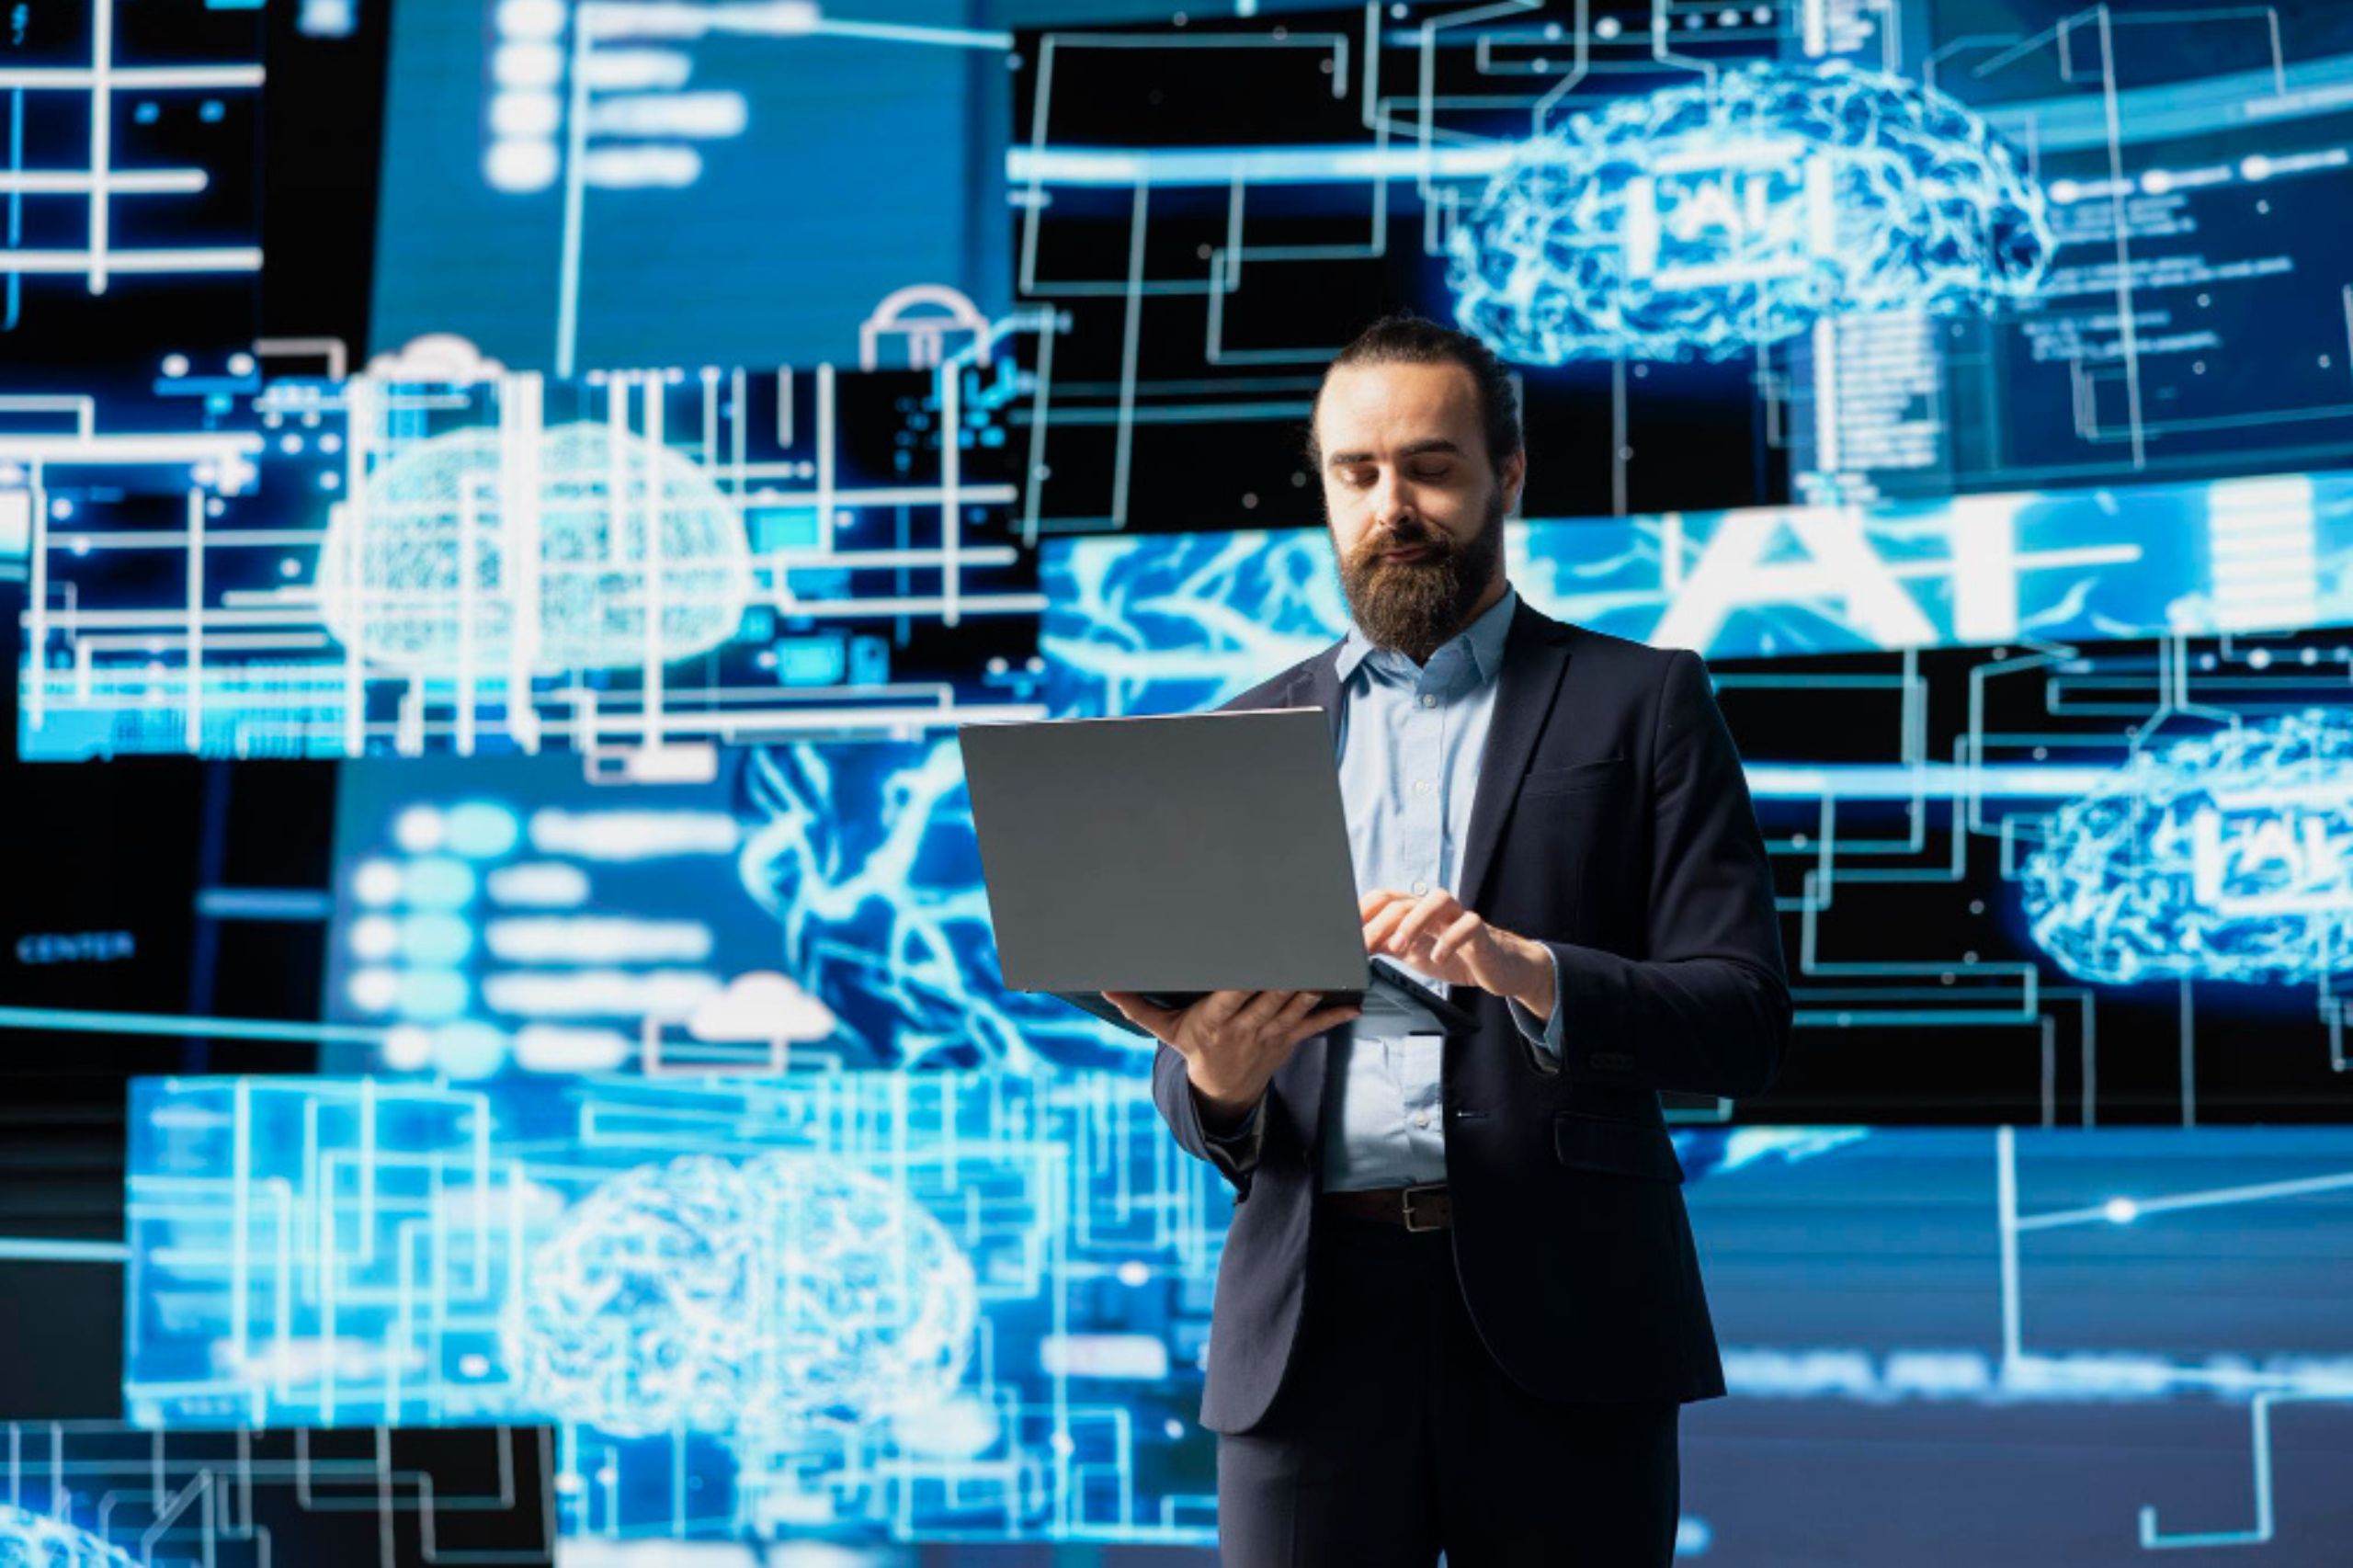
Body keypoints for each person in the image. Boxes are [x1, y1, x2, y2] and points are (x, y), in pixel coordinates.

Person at [1104, 313, 1790, 1566]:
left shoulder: (1645, 701)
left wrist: (1521, 969)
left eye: (1430, 465)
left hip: (1570, 1310)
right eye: (1357, 474)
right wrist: (1216, 1077)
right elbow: (1201, 1062)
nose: (1392, 505)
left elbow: (1742, 1016)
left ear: (1509, 473)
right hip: (1307, 1323)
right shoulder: (1237, 739)